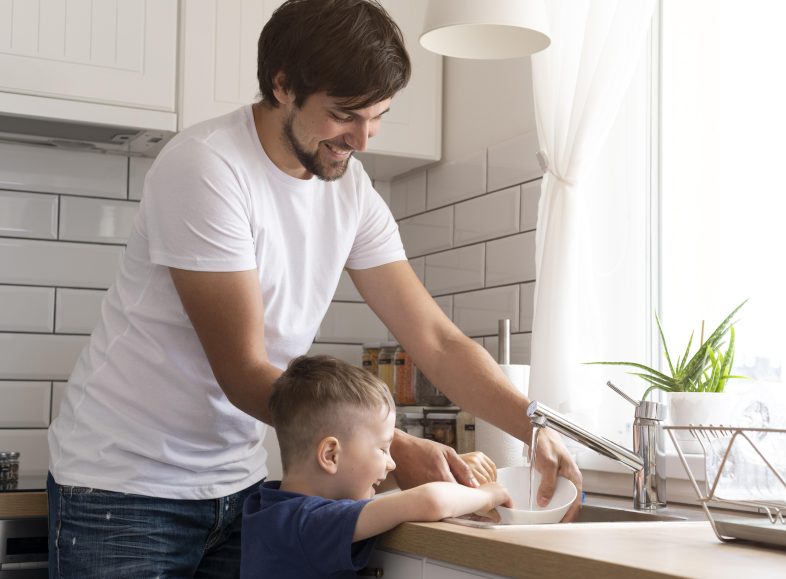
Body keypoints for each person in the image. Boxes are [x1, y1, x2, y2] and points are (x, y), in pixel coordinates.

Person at [47, 0, 581, 576]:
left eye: (377, 115)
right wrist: (392, 446)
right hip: (125, 486)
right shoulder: (207, 168)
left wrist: (535, 426)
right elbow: (244, 371)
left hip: (240, 483)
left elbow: (435, 339)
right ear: (282, 85)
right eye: (346, 114)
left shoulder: (350, 191)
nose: (363, 138)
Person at [241, 355, 513, 578]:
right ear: (331, 455)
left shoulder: (268, 509)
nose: (392, 462)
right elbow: (429, 501)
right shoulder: (311, 523)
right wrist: (486, 495)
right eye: (383, 449)